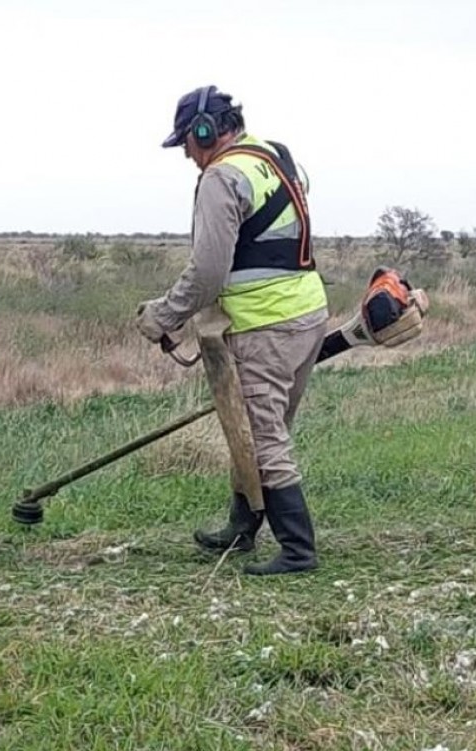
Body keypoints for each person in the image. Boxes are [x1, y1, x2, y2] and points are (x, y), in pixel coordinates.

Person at [136, 85, 329, 576]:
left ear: (206, 131)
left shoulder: (222, 178)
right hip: (305, 311)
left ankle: (297, 549)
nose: (185, 153)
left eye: (187, 140)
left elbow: (207, 272)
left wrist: (164, 314)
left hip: (265, 323)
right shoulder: (273, 156)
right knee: (258, 425)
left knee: (263, 436)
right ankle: (242, 527)